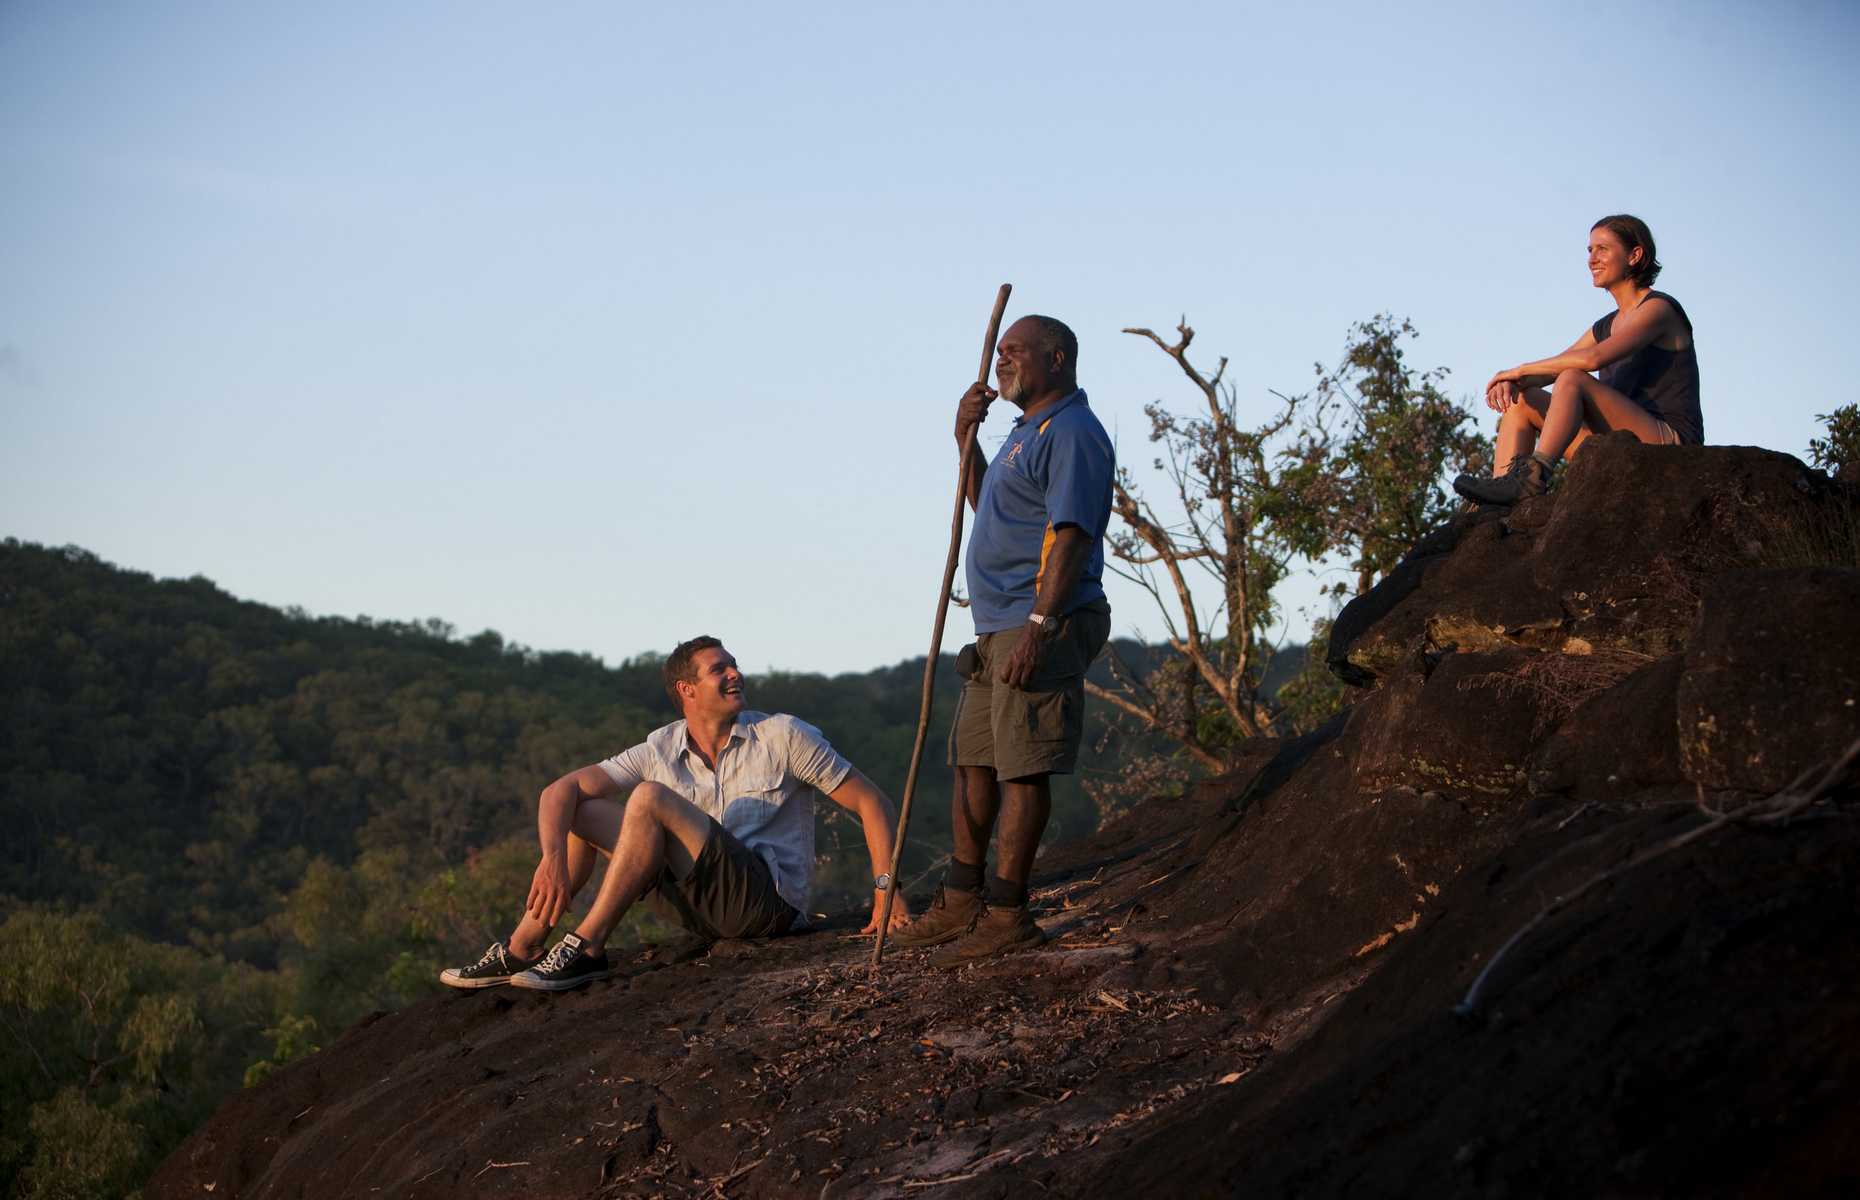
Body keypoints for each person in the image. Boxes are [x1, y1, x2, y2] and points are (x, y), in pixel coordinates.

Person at [440, 636, 911, 992]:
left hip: (766, 906)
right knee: (581, 809)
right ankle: (522, 946)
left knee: (648, 798)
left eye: (733, 665)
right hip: (698, 904)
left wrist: (886, 890)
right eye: (718, 669)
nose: (734, 674)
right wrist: (551, 857)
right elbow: (559, 790)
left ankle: (587, 945)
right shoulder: (660, 746)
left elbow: (873, 802)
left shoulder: (783, 735)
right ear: (687, 689)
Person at [890, 314, 1115, 966]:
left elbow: (1072, 535)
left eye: (1016, 352)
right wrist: (965, 438)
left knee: (1022, 766)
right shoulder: (1025, 433)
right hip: (996, 625)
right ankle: (962, 902)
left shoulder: (1072, 431)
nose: (1003, 363)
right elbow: (988, 504)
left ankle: (1008, 913)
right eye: (1000, 353)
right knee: (975, 759)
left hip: (1039, 619)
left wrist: (1041, 629)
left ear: (1059, 357)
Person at [1454, 214, 1703, 506]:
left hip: (1667, 444)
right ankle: (1499, 500)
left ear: (1635, 255)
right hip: (1620, 444)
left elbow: (1591, 359)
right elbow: (1556, 366)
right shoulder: (1605, 325)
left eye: (1603, 249)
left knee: (1573, 378)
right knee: (1521, 401)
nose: (1592, 259)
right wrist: (1512, 381)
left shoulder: (1659, 309)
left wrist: (1518, 369)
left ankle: (1533, 477)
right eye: (1589, 250)